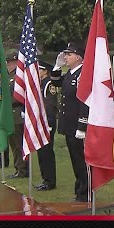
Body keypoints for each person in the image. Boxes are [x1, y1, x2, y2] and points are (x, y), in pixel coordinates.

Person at [50, 41, 89, 202]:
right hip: (68, 125)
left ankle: (85, 192)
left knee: (81, 161)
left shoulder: (83, 75)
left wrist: (82, 125)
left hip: (77, 126)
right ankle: (79, 190)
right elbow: (56, 81)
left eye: (69, 54)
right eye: (65, 54)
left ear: (79, 57)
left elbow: (84, 101)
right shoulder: (71, 73)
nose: (66, 57)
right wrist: (57, 67)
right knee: (75, 160)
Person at [35, 59, 58, 191]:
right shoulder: (40, 83)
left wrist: (48, 122)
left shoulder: (49, 84)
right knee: (41, 151)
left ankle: (50, 181)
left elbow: (51, 104)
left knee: (47, 151)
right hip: (40, 121)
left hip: (47, 121)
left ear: (45, 72)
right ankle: (45, 179)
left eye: (39, 69)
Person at [6, 56, 28, 179]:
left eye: (10, 62)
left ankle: (22, 170)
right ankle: (18, 168)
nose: (8, 64)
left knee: (18, 143)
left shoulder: (18, 77)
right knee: (13, 144)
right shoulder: (9, 76)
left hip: (17, 111)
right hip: (10, 112)